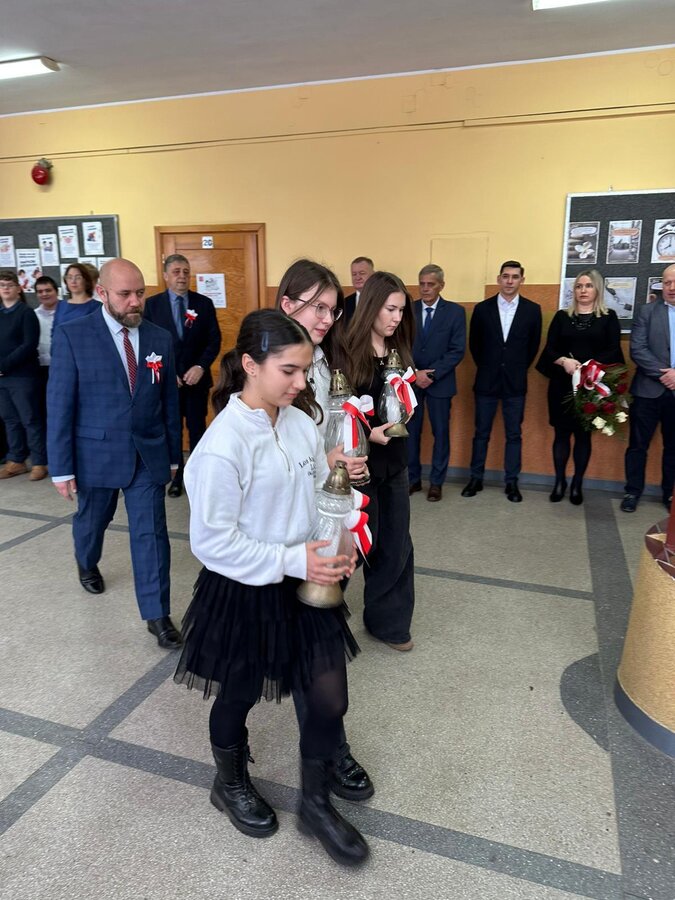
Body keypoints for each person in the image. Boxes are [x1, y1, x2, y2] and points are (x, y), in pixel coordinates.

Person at [174, 309, 369, 866]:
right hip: (245, 589)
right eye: (289, 370)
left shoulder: (301, 424)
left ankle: (315, 804)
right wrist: (291, 558)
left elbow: (319, 492)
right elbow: (213, 543)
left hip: (306, 580)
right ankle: (228, 783)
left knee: (329, 696)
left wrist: (342, 532)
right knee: (238, 695)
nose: (301, 383)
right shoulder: (222, 445)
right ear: (250, 365)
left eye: (305, 370)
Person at [47, 259, 183, 649]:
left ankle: (157, 615)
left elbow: (168, 401)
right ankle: (86, 559)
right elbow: (60, 405)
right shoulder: (73, 335)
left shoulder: (159, 338)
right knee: (93, 521)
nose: (135, 301)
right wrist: (61, 468)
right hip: (95, 455)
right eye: (125, 294)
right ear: (102, 293)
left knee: (151, 533)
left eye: (140, 293)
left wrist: (173, 455)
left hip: (147, 453)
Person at [275, 259, 373, 803]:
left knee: (320, 637)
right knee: (309, 646)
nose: (326, 319)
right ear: (287, 303)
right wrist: (324, 460)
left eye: (332, 310)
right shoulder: (270, 365)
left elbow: (328, 435)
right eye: (317, 307)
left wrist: (344, 462)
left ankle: (329, 745)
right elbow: (271, 455)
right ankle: (326, 751)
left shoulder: (323, 362)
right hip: (285, 530)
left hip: (324, 518)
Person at [342, 270, 416, 650]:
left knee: (396, 542)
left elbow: (403, 401)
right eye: (390, 309)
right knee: (354, 543)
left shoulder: (398, 351)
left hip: (395, 461)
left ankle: (389, 622)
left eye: (401, 311)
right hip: (361, 465)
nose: (396, 318)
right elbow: (339, 410)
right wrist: (367, 433)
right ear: (371, 306)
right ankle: (320, 616)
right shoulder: (346, 352)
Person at [536, 269, 624, 505]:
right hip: (562, 385)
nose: (583, 290)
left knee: (583, 435)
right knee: (561, 434)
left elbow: (613, 350)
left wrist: (589, 367)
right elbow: (550, 349)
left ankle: (577, 484)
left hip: (591, 387)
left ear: (597, 290)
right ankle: (559, 482)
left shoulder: (608, 317)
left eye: (588, 286)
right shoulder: (562, 317)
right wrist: (563, 361)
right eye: (578, 286)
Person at [462, 260, 542, 503]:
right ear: (499, 279)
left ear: (522, 280)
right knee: (481, 433)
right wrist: (490, 366)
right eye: (505, 276)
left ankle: (511, 482)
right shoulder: (482, 309)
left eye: (515, 277)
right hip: (486, 380)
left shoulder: (532, 310)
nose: (509, 281)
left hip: (515, 383)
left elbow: (532, 346)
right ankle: (476, 478)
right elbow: (475, 345)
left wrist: (515, 368)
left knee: (514, 434)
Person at [144, 254, 222, 498]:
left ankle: (198, 476)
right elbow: (146, 344)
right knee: (172, 430)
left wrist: (201, 366)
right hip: (168, 384)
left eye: (186, 272)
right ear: (166, 276)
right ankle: (177, 477)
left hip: (197, 381)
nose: (182, 276)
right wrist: (166, 372)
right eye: (176, 272)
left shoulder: (203, 304)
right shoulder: (152, 306)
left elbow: (214, 340)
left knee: (198, 429)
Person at [408, 264, 466, 501]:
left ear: (441, 285)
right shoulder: (408, 310)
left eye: (430, 284)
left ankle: (436, 483)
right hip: (411, 382)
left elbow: (457, 350)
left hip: (440, 383)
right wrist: (415, 373)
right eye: (421, 284)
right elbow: (399, 345)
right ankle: (412, 479)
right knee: (411, 432)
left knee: (440, 433)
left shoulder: (455, 312)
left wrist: (431, 374)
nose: (425, 288)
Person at [621, 264, 675, 513]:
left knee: (673, 448)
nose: (671, 287)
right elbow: (638, 350)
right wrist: (667, 375)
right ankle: (632, 491)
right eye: (667, 282)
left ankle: (670, 495)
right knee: (637, 446)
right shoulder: (646, 311)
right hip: (647, 392)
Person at [0, 270, 48, 481]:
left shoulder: (26, 313)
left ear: (18, 288)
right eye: (2, 285)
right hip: (2, 377)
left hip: (22, 376)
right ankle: (16, 460)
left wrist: (4, 365)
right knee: (10, 419)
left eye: (10, 285)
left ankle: (39, 462)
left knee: (30, 419)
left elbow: (28, 345)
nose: (6, 288)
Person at [34, 275, 61, 417]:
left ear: (56, 291)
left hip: (62, 367)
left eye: (48, 290)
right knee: (43, 408)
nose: (44, 294)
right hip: (41, 369)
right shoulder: (33, 315)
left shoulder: (66, 312)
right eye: (40, 291)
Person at [344, 257, 374, 325]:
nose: (357, 278)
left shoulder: (383, 299)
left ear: (373, 275)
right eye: (354, 274)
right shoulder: (344, 303)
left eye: (362, 273)